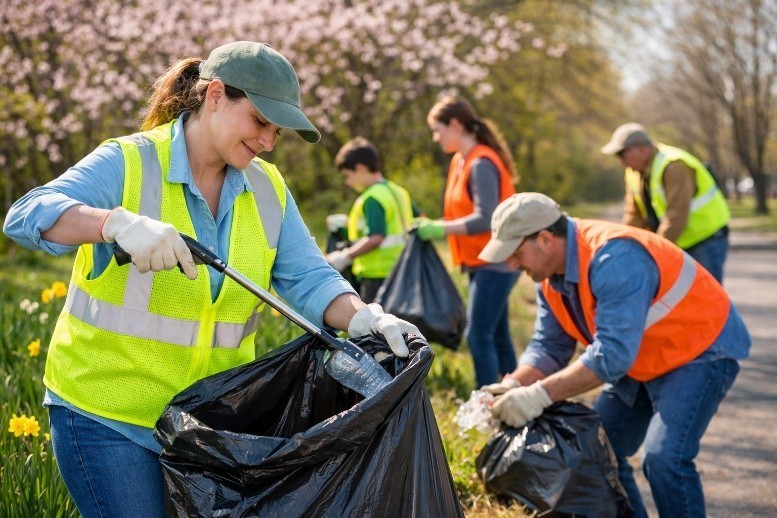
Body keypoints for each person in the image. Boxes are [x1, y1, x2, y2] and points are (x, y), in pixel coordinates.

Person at [3, 41, 420, 517]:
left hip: (206, 427)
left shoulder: (268, 188)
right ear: (216, 95)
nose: (267, 141)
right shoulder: (130, 162)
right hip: (108, 416)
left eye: (277, 132)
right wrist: (113, 224)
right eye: (260, 122)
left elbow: (309, 277)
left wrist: (365, 317)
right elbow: (26, 214)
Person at [479, 192, 751, 517]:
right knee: (597, 448)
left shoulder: (615, 258)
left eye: (515, 253)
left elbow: (612, 356)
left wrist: (538, 396)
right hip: (645, 357)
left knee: (665, 458)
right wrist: (513, 385)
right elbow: (550, 346)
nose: (510, 264)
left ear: (545, 239)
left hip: (699, 349)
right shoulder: (547, 277)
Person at [418, 95, 519, 387]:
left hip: (497, 261)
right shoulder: (462, 161)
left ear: (455, 125)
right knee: (497, 336)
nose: (436, 138)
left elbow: (486, 218)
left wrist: (440, 229)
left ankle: (487, 404)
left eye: (438, 130)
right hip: (480, 261)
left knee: (478, 335)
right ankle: (515, 395)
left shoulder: (481, 163)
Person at [601, 122, 730, 283]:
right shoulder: (633, 172)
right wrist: (626, 249)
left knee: (707, 299)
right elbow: (634, 215)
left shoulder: (674, 165)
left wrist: (655, 252)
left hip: (703, 241)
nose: (621, 162)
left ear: (642, 149)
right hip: (676, 242)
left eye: (622, 154)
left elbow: (676, 215)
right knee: (677, 301)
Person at [324, 137, 420, 303]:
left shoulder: (371, 198)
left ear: (360, 168)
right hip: (403, 271)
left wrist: (345, 256)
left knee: (373, 326)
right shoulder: (398, 192)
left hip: (376, 275)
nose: (347, 182)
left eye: (348, 176)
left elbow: (376, 237)